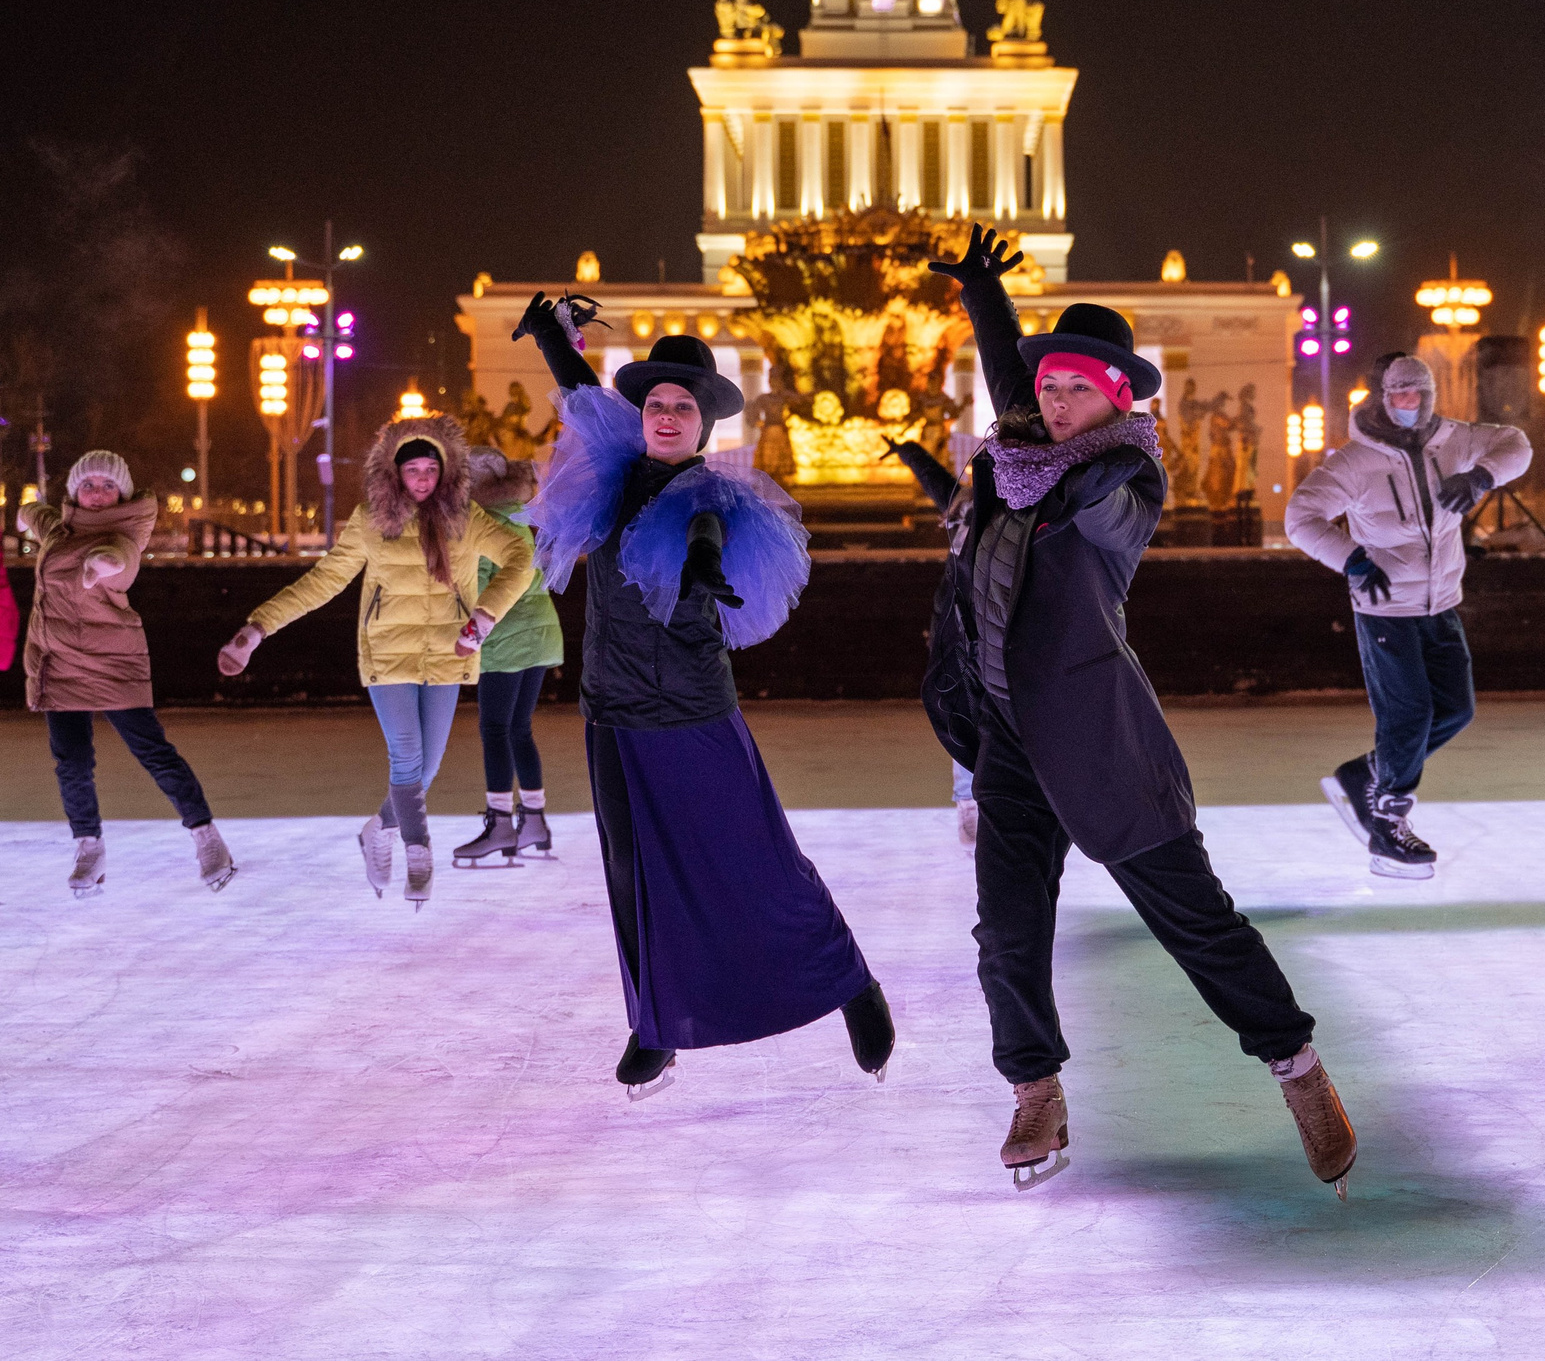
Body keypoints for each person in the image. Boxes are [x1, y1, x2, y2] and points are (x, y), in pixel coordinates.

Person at [929, 225, 1356, 1195]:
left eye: (1075, 385)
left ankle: (1296, 1067)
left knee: (1194, 921)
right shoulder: (1015, 456)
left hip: (1097, 735)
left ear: (1116, 397)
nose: (1052, 396)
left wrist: (1035, 472)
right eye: (1047, 385)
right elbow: (1010, 384)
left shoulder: (1122, 474)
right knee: (1004, 931)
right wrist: (984, 299)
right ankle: (1034, 1087)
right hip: (1007, 739)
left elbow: (1087, 516)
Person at [514, 292, 892, 1099]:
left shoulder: (713, 496)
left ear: (703, 424)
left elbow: (700, 528)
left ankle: (850, 980)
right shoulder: (611, 474)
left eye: (684, 407)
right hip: (611, 710)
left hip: (692, 708)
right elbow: (585, 398)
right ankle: (654, 1028)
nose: (666, 416)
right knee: (632, 873)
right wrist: (553, 334)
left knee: (760, 863)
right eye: (655, 403)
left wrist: (702, 562)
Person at [220, 416, 531, 909]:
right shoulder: (370, 521)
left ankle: (377, 830)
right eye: (414, 470)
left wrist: (485, 617)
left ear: (446, 471)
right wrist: (256, 629)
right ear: (394, 473)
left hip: (449, 655)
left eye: (432, 468)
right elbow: (322, 582)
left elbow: (520, 553)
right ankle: (417, 850)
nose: (423, 478)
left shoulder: (466, 521)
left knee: (425, 772)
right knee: (406, 758)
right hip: (387, 656)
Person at [1283, 352, 1531, 878]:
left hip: (1441, 602)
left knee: (1456, 709)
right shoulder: (1354, 462)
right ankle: (1387, 823)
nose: (1406, 406)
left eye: (1415, 395)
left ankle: (1367, 772)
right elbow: (1301, 517)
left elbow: (1517, 444)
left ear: (1429, 396)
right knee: (1409, 714)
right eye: (1396, 396)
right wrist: (1349, 557)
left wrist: (1481, 476)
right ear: (1381, 398)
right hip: (1385, 608)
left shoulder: (1457, 441)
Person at [21, 450, 234, 897]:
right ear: (75, 491)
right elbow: (37, 515)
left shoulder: (123, 535)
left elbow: (120, 560)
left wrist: (102, 566)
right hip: (58, 663)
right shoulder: (60, 530)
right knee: (71, 762)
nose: (97, 494)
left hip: (112, 662)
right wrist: (25, 515)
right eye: (89, 485)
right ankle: (88, 846)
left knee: (154, 753)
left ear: (123, 493)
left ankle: (207, 837)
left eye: (108, 486)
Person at [452, 448, 567, 866]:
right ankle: (533, 820)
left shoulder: (484, 526)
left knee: (495, 729)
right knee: (518, 728)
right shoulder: (519, 517)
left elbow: (479, 588)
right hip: (540, 634)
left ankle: (500, 822)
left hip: (507, 638)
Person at [890, 435, 983, 847]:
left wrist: (909, 450)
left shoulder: (1024, 510)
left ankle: (993, 802)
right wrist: (909, 450)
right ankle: (969, 803)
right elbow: (935, 480)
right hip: (957, 627)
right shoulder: (964, 502)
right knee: (962, 710)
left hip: (1001, 630)